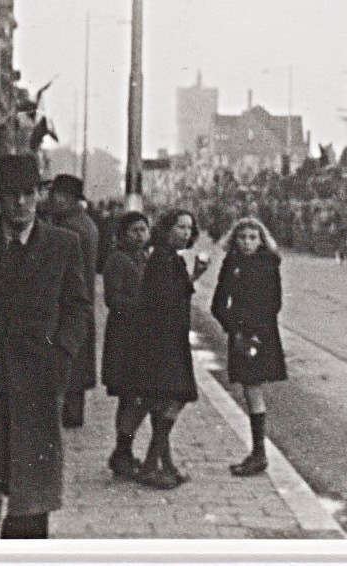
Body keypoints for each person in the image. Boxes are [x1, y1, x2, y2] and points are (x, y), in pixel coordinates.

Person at [0, 154, 89, 539]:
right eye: (10, 195)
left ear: (40, 195)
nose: (19, 203)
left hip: (37, 378)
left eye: (27, 194)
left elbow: (78, 306)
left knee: (31, 493)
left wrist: (62, 356)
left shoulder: (63, 245)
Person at [129, 209, 209, 489]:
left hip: (166, 339)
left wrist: (194, 276)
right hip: (164, 341)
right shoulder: (163, 260)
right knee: (176, 397)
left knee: (162, 400)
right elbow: (164, 301)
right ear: (167, 229)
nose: (186, 233)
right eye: (180, 227)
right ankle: (152, 464)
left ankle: (165, 463)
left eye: (189, 228)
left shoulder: (168, 258)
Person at [210, 217, 288, 476]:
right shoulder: (231, 264)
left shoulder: (268, 265)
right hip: (241, 334)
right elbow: (218, 303)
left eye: (253, 238)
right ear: (235, 239)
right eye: (242, 237)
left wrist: (250, 331)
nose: (247, 243)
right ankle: (258, 452)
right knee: (250, 390)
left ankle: (259, 454)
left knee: (253, 390)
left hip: (260, 334)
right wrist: (234, 328)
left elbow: (273, 304)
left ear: (261, 240)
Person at [46, 174, 100, 428]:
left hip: (67, 302)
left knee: (70, 357)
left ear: (67, 198)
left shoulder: (69, 228)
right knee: (78, 360)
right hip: (81, 299)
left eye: (55, 195)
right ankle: (73, 412)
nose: (50, 199)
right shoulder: (84, 223)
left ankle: (68, 414)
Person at [101, 211, 151, 480]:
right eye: (135, 230)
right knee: (129, 396)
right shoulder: (117, 260)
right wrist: (145, 307)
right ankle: (121, 452)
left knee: (134, 395)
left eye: (144, 230)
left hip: (140, 338)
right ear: (122, 235)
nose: (141, 235)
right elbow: (113, 299)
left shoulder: (145, 258)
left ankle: (124, 450)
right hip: (124, 338)